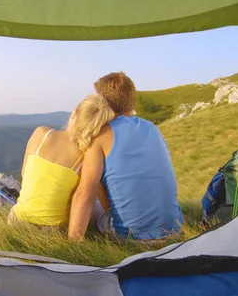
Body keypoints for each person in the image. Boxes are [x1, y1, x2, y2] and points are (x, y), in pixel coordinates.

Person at [68, 72, 183, 241]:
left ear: (102, 101)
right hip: (174, 230)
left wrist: (71, 247)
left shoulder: (101, 136)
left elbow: (85, 194)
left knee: (88, 184)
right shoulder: (152, 128)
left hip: (130, 238)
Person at [9, 94, 115, 227]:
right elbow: (98, 201)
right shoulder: (86, 156)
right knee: (94, 203)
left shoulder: (40, 133)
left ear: (75, 113)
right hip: (53, 231)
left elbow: (25, 174)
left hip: (17, 221)